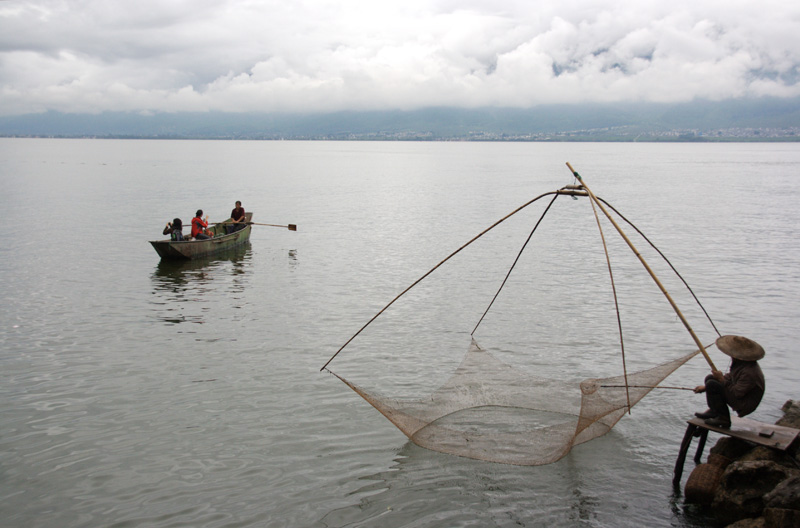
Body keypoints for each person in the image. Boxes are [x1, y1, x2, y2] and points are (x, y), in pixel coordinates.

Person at [694, 335, 765, 428]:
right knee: (710, 378)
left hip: (744, 403)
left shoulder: (750, 372)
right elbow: (730, 377)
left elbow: (737, 393)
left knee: (712, 384)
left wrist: (721, 379)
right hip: (738, 395)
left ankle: (724, 419)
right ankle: (714, 411)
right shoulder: (741, 364)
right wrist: (705, 388)